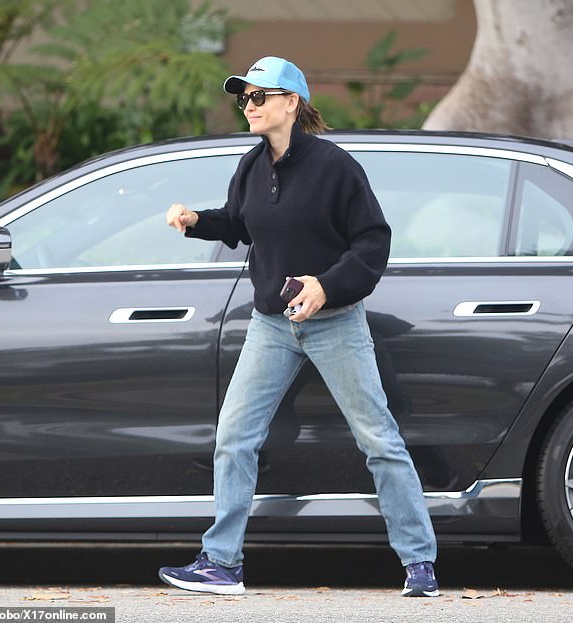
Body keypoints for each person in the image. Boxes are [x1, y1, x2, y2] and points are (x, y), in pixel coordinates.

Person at [158, 56, 439, 598]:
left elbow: (372, 242)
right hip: (272, 326)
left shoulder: (335, 168)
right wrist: (196, 221)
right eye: (244, 97)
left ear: (292, 103)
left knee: (379, 440)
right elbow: (239, 223)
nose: (249, 105)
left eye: (259, 96)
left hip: (335, 323)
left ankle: (419, 564)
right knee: (234, 438)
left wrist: (326, 287)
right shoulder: (251, 165)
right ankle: (221, 563)